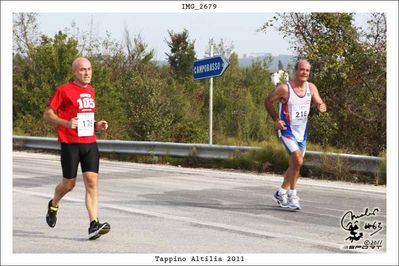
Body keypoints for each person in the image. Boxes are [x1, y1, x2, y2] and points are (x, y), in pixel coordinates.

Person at [43, 57, 111, 240]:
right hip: (70, 144)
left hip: (89, 143)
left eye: (89, 69)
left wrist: (97, 125)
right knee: (69, 184)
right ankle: (54, 204)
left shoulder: (91, 90)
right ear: (74, 72)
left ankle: (93, 224)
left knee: (92, 183)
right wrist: (65, 123)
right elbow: (48, 114)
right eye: (82, 70)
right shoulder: (64, 90)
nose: (87, 73)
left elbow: (85, 118)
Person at [264, 59, 327, 210]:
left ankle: (280, 193)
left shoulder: (311, 88)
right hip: (287, 130)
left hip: (302, 133)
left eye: (307, 70)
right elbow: (267, 101)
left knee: (294, 164)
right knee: (298, 161)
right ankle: (293, 196)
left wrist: (321, 105)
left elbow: (319, 101)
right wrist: (276, 120)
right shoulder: (284, 89)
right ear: (296, 70)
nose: (304, 73)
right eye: (302, 69)